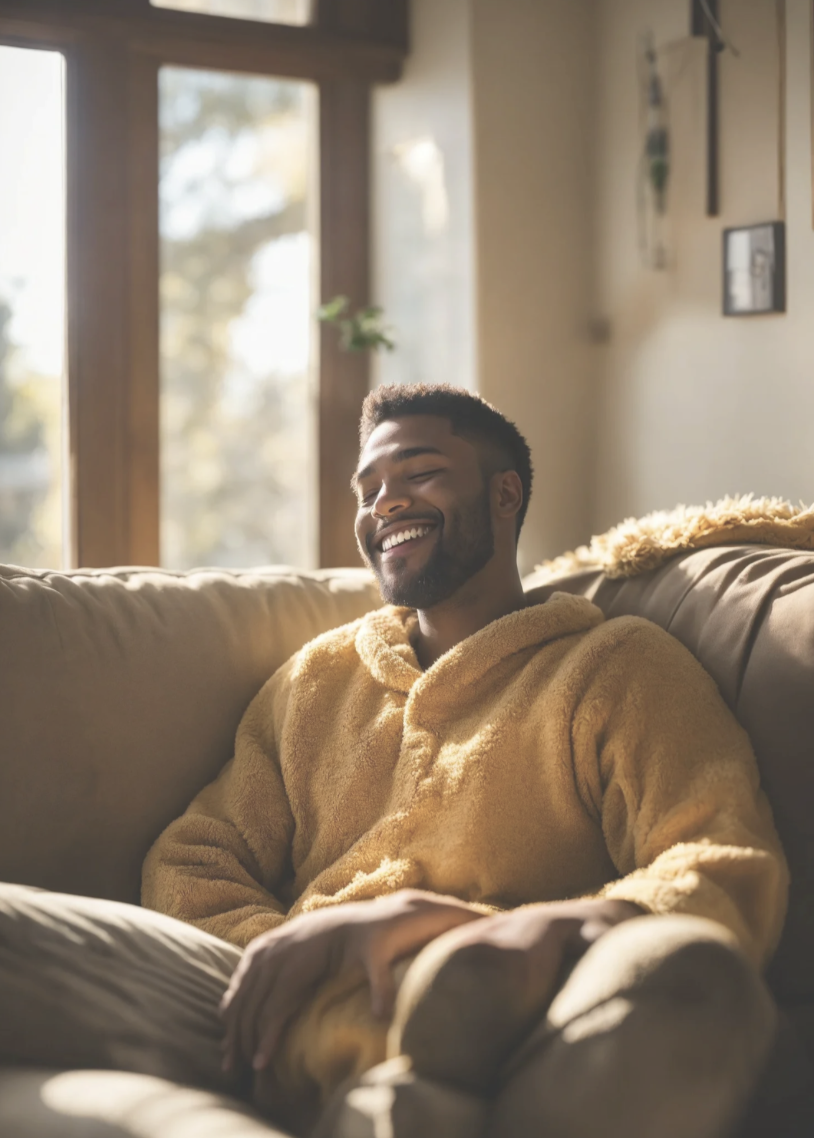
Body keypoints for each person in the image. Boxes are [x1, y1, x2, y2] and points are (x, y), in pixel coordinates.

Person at [142, 384, 788, 1138]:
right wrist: (288, 958)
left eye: (418, 474)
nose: (384, 503)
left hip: (488, 1018)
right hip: (254, 1019)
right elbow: (193, 859)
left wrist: (503, 933)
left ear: (504, 493)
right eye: (368, 488)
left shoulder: (618, 667)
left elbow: (722, 863)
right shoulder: (317, 679)